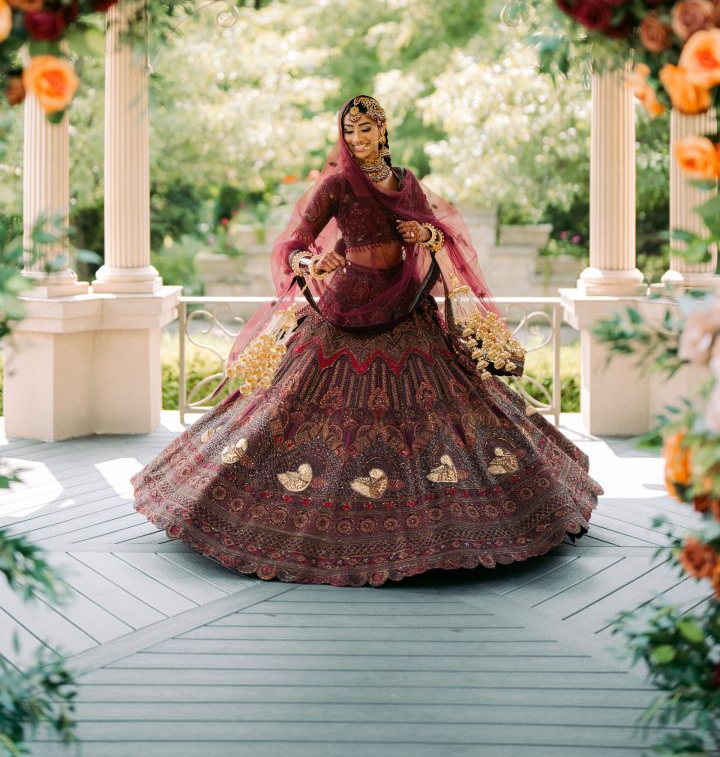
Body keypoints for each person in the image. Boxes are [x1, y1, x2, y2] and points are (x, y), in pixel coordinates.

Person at [132, 95, 603, 587]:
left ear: (382, 130)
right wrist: (314, 263)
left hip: (406, 309)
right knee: (295, 408)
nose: (357, 139)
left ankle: (459, 527)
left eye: (365, 129)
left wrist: (424, 235)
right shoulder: (336, 185)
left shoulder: (407, 182)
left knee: (447, 408)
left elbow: (440, 235)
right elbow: (292, 245)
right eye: (349, 131)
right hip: (348, 306)